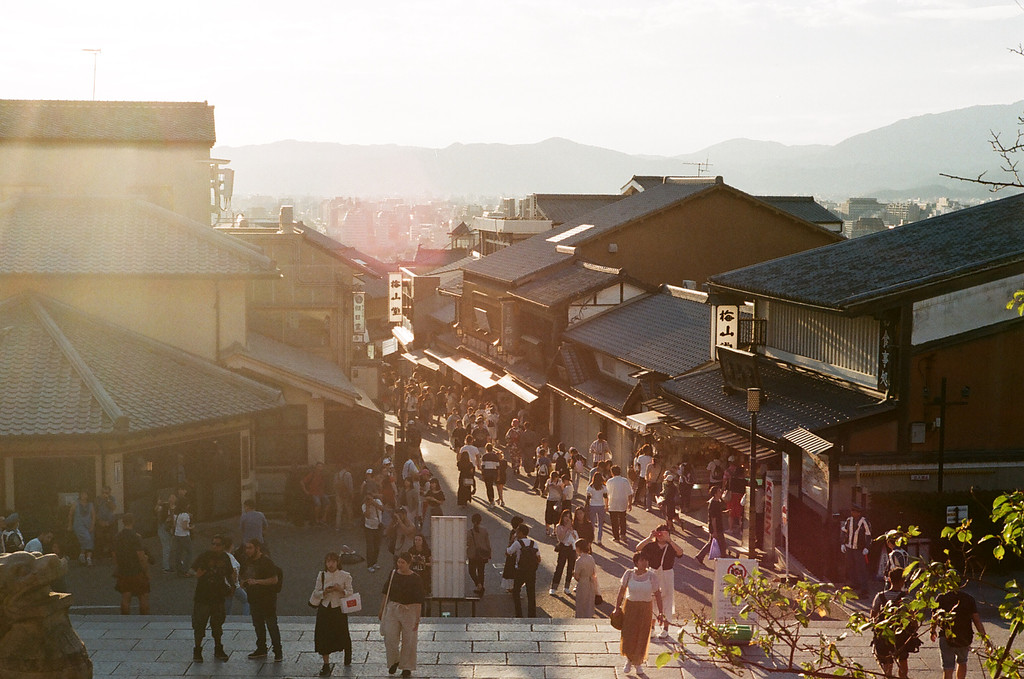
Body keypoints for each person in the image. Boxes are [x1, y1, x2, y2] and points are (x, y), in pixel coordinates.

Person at [614, 551, 665, 674]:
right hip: (630, 606)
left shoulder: (652, 576)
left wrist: (661, 613)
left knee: (642, 634)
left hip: (645, 607)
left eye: (646, 560)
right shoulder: (629, 574)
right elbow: (621, 592)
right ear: (636, 562)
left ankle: (638, 663)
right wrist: (617, 607)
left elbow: (658, 595)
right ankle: (629, 660)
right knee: (629, 634)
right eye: (642, 560)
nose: (645, 562)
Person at [381, 552, 425, 678]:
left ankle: (407, 666)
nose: (399, 565)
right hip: (393, 608)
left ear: (408, 564)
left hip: (409, 610)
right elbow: (386, 591)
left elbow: (419, 599)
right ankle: (394, 661)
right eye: (398, 562)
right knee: (390, 637)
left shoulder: (416, 578)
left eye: (402, 563)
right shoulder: (393, 574)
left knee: (409, 639)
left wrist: (417, 617)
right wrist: (382, 608)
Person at [191, 534, 234, 663]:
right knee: (199, 625)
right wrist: (197, 574)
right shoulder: (205, 556)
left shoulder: (225, 558)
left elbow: (229, 574)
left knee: (217, 625)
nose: (215, 547)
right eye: (213, 544)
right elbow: (192, 569)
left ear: (223, 546)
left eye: (218, 544)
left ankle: (218, 648)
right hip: (202, 597)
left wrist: (233, 587)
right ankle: (197, 650)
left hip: (218, 597)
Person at [932, 579, 987, 679]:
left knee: (948, 667)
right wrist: (984, 638)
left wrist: (933, 631)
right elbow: (976, 620)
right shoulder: (968, 599)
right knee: (962, 662)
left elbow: (934, 617)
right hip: (964, 636)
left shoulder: (941, 598)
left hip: (946, 636)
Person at [309, 551, 354, 675]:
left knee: (343, 632)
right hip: (325, 607)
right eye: (328, 561)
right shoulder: (322, 575)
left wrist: (341, 590)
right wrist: (325, 591)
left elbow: (350, 592)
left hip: (338, 607)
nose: (331, 564)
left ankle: (347, 655)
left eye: (333, 561)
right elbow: (315, 592)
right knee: (323, 635)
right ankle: (326, 663)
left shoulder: (345, 575)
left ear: (337, 562)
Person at [636, 524, 683, 638]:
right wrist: (649, 537)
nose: (661, 536)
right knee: (652, 600)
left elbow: (680, 553)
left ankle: (665, 628)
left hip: (667, 573)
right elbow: (638, 548)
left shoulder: (671, 546)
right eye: (659, 533)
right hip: (653, 573)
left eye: (664, 533)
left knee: (667, 600)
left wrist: (669, 540)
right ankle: (651, 627)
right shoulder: (651, 545)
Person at [870, 568, 917, 679]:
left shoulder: (880, 596)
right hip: (901, 634)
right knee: (903, 660)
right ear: (903, 581)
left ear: (890, 580)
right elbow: (912, 617)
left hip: (884, 634)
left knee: (887, 663)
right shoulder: (906, 598)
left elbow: (873, 615)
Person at [241, 538, 283, 662]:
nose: (247, 550)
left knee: (271, 625)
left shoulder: (266, 562)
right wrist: (244, 582)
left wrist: (257, 582)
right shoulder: (247, 561)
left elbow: (274, 579)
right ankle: (261, 648)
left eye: (250, 548)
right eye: (246, 548)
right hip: (254, 599)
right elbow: (243, 576)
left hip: (267, 599)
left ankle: (278, 650)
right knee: (258, 625)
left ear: (257, 548)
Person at [113, 513, 150, 616]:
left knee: (125, 596)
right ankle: (144, 619)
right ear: (133, 522)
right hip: (137, 569)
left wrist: (118, 566)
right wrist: (146, 571)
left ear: (123, 522)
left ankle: (125, 619)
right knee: (143, 595)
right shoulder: (136, 536)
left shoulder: (118, 536)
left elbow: (114, 554)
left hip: (124, 569)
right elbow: (141, 556)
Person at [506, 523, 540, 617]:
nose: (516, 533)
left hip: (520, 571)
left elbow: (508, 552)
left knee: (516, 591)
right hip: (531, 572)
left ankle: (519, 614)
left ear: (520, 533)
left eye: (517, 531)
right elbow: (539, 558)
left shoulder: (517, 543)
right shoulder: (534, 543)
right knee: (531, 593)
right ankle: (532, 615)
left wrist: (511, 541)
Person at [840, 504, 872, 596]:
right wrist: (842, 543)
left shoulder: (864, 522)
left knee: (861, 569)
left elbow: (868, 535)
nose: (853, 513)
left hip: (859, 548)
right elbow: (844, 532)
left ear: (859, 513)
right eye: (852, 511)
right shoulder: (849, 520)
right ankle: (854, 584)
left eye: (855, 512)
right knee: (850, 567)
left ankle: (864, 589)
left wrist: (867, 547)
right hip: (849, 547)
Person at [695, 485, 727, 566]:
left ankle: (699, 557)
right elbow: (713, 518)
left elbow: (718, 514)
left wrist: (725, 512)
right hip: (716, 527)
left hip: (717, 526)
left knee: (711, 543)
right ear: (715, 493)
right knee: (722, 545)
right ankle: (723, 561)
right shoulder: (713, 503)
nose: (721, 492)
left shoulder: (717, 502)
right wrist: (715, 531)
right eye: (719, 491)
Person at [550, 509, 579, 595]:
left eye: (569, 517)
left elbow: (576, 538)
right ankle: (554, 587)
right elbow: (561, 538)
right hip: (563, 548)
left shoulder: (573, 527)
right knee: (560, 567)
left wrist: (572, 530)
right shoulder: (559, 526)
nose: (567, 518)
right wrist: (567, 528)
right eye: (566, 516)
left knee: (570, 568)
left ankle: (567, 587)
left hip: (572, 549)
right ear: (562, 517)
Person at [606, 466, 633, 545]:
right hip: (622, 502)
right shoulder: (625, 481)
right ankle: (623, 534)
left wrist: (606, 504)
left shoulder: (609, 481)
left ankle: (616, 537)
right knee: (622, 519)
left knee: (614, 521)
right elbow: (630, 493)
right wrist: (630, 503)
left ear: (612, 472)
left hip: (612, 502)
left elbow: (606, 493)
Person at [222, 536, 248, 616]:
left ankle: (227, 620)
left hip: (223, 585)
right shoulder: (230, 557)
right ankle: (245, 617)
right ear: (231, 546)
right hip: (232, 586)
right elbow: (234, 571)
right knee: (246, 600)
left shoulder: (221, 556)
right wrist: (236, 584)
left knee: (228, 605)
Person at [572, 539, 599, 618]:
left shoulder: (579, 561)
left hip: (583, 582)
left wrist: (573, 574)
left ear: (579, 548)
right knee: (589, 602)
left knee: (581, 603)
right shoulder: (591, 558)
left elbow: (577, 576)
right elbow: (594, 572)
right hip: (591, 581)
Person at [69, 491, 96, 566]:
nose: (84, 496)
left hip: (89, 525)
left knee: (90, 539)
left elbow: (93, 515)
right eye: (82, 495)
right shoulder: (76, 504)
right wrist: (70, 524)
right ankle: (85, 557)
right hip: (79, 525)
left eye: (85, 494)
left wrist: (92, 526)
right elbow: (70, 514)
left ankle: (85, 556)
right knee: (87, 538)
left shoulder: (90, 505)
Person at [466, 513, 491, 594]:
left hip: (473, 554)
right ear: (480, 521)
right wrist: (489, 552)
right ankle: (481, 588)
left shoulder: (470, 532)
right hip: (483, 553)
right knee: (481, 571)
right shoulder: (484, 530)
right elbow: (487, 542)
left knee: (471, 571)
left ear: (472, 521)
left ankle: (478, 585)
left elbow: (467, 543)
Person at [501, 516, 525, 592]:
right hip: (514, 555)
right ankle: (514, 589)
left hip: (511, 555)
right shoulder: (516, 534)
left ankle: (511, 588)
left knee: (510, 572)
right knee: (514, 572)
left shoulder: (513, 532)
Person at [363, 493, 385, 572]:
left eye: (370, 498)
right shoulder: (364, 506)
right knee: (370, 547)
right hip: (369, 528)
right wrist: (368, 505)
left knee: (377, 546)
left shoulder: (377, 501)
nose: (369, 500)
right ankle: (369, 564)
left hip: (378, 527)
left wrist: (373, 503)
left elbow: (382, 508)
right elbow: (367, 515)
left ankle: (375, 562)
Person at [303, 463, 330, 527]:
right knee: (318, 504)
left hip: (321, 493)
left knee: (328, 503)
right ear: (316, 467)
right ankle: (316, 519)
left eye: (321, 467)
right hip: (314, 493)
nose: (320, 468)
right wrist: (306, 491)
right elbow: (302, 482)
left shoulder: (323, 475)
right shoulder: (312, 474)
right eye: (318, 467)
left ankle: (323, 518)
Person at [95, 486, 117, 560]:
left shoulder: (112, 498)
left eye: (106, 493)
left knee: (112, 537)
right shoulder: (97, 499)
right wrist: (99, 521)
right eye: (103, 492)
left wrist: (108, 500)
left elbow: (113, 508)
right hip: (100, 521)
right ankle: (100, 554)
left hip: (110, 521)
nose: (104, 494)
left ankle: (112, 554)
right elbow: (94, 511)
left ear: (109, 493)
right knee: (99, 537)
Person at [586, 472, 609, 546]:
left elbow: (588, 497)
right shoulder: (603, 487)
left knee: (592, 523)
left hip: (592, 505)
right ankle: (599, 539)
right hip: (601, 505)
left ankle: (592, 538)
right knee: (600, 524)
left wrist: (587, 505)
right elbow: (605, 497)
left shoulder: (590, 487)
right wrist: (606, 506)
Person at [172, 500, 194, 576]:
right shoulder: (185, 515)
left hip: (177, 535)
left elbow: (175, 525)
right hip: (184, 536)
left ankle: (179, 570)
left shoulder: (176, 514)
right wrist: (191, 527)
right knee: (189, 552)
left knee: (178, 552)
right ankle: (185, 569)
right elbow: (185, 527)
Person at [155, 494, 176, 572]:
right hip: (164, 528)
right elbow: (156, 509)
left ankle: (166, 565)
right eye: (171, 497)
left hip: (168, 529)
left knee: (168, 547)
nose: (172, 499)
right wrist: (158, 504)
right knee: (166, 547)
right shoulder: (164, 506)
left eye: (173, 498)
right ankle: (166, 567)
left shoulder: (173, 507)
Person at [632, 445, 654, 509]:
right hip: (648, 476)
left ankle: (636, 500)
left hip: (642, 474)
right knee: (647, 490)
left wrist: (639, 471)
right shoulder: (650, 458)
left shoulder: (640, 457)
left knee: (639, 488)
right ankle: (645, 502)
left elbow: (639, 466)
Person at [457, 438, 477, 506]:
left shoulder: (459, 463)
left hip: (462, 476)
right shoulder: (470, 464)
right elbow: (471, 471)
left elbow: (459, 469)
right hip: (468, 476)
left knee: (461, 488)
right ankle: (466, 499)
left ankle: (461, 501)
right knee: (467, 488)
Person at [544, 472, 565, 536]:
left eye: (555, 478)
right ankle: (547, 529)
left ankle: (555, 530)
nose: (554, 480)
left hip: (557, 500)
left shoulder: (560, 482)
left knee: (556, 516)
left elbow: (562, 492)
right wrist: (548, 486)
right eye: (553, 478)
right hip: (550, 500)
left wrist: (556, 487)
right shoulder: (548, 481)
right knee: (548, 515)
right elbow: (545, 491)